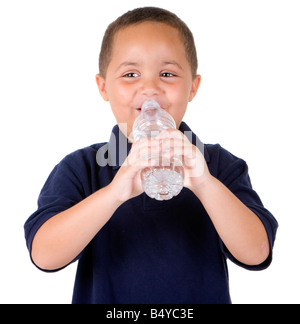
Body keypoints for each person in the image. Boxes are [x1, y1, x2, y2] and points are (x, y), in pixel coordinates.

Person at [24, 7, 278, 304]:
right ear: (103, 87)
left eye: (167, 74)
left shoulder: (219, 165)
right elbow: (44, 256)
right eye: (130, 74)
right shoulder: (82, 168)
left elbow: (256, 252)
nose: (150, 88)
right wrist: (114, 194)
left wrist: (206, 184)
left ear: (193, 87)